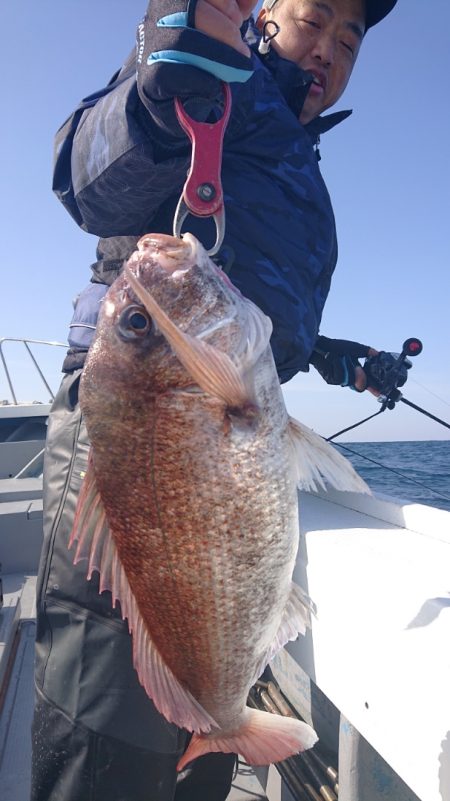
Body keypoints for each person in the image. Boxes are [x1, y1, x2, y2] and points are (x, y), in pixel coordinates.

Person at [31, 1, 398, 800]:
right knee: (108, 722)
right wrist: (160, 93)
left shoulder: (300, 158)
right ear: (264, 15)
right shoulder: (209, 73)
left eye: (350, 39)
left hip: (218, 426)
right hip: (135, 424)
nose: (329, 50)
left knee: (204, 736)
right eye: (315, 19)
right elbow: (81, 177)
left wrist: (343, 361)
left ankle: (216, 731)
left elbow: (267, 323)